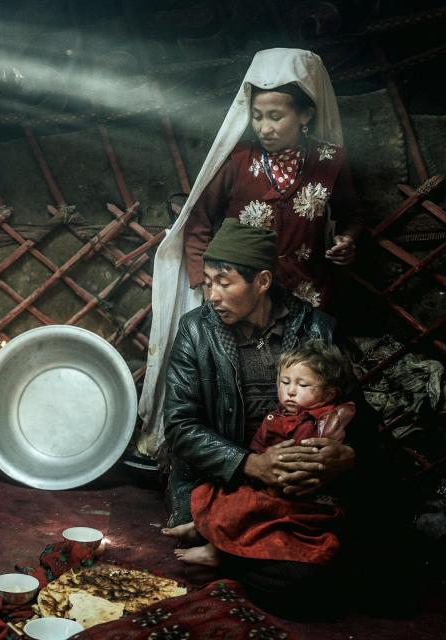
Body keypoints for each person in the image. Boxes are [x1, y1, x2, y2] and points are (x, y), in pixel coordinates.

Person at [137, 47, 365, 463]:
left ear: (305, 115)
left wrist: (347, 241)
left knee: (302, 390)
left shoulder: (329, 162)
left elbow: (351, 216)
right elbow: (198, 224)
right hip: (242, 299)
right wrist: (209, 287)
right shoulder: (237, 161)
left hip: (305, 297)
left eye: (276, 116)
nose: (265, 126)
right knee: (234, 387)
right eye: (258, 116)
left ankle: (293, 462)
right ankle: (240, 463)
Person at [157, 220, 376, 613]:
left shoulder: (316, 328)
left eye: (225, 283)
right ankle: (240, 552)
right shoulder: (196, 332)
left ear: (261, 282)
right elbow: (179, 426)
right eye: (208, 282)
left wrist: (345, 456)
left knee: (381, 552)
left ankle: (232, 555)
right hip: (224, 480)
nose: (213, 295)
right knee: (309, 581)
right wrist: (253, 464)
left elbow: (360, 418)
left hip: (301, 485)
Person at [166, 340, 357, 569]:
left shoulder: (321, 423)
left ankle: (215, 551)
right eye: (284, 382)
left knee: (245, 506)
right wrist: (253, 462)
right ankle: (201, 527)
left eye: (303, 385)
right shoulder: (281, 414)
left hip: (296, 494)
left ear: (328, 394)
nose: (290, 391)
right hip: (264, 479)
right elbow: (257, 445)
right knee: (222, 493)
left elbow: (302, 462)